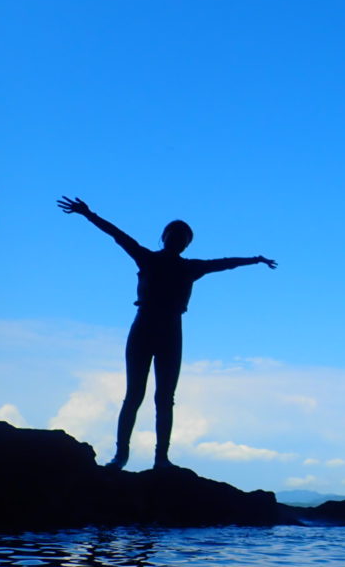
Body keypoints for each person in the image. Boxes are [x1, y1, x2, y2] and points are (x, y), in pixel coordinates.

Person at [57, 196, 276, 470]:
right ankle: (121, 456)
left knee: (165, 398)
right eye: (174, 233)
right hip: (144, 326)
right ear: (164, 237)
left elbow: (225, 263)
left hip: (171, 330)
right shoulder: (146, 258)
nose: (178, 238)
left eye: (183, 236)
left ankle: (161, 459)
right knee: (134, 394)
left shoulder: (190, 267)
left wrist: (255, 259)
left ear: (187, 243)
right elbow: (117, 235)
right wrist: (88, 214)